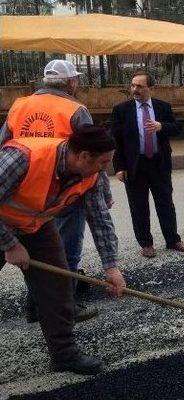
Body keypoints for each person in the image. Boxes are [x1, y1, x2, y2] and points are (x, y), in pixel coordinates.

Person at [0, 126, 127, 375]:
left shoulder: (92, 175)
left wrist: (111, 266)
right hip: (3, 224)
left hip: (36, 226)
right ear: (83, 156)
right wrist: (10, 244)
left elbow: (100, 219)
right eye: (103, 162)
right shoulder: (23, 158)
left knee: (58, 285)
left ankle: (64, 356)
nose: (106, 168)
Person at [1, 59, 113, 322]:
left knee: (43, 254)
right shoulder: (75, 109)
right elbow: (95, 155)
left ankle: (38, 306)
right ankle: (65, 305)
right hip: (66, 185)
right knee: (64, 252)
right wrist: (103, 192)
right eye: (77, 81)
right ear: (72, 83)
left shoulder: (20, 105)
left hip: (23, 185)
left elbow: (3, 142)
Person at [111, 71, 184, 258]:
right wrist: (119, 167)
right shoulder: (121, 110)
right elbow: (116, 141)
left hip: (158, 163)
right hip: (134, 165)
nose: (135, 89)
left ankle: (172, 240)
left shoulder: (163, 107)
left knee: (165, 203)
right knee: (139, 206)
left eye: (139, 86)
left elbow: (177, 128)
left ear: (151, 88)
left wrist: (162, 126)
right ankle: (146, 243)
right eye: (133, 85)